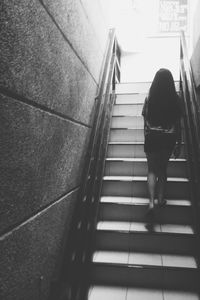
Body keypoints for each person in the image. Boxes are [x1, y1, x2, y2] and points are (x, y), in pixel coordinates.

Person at [142, 68, 182, 214]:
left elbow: (145, 120)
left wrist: (146, 136)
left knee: (151, 170)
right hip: (168, 138)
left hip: (152, 138)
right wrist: (179, 144)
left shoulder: (150, 98)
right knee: (162, 169)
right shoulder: (175, 99)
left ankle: (151, 202)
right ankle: (160, 198)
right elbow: (178, 125)